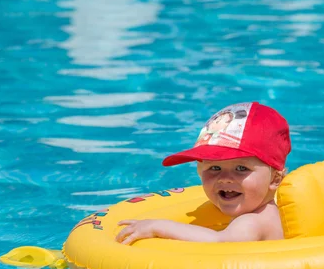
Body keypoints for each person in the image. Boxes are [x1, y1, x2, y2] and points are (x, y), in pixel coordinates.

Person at [115, 102, 291, 244]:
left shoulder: (252, 222)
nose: (225, 178)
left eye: (241, 168)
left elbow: (219, 241)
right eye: (214, 168)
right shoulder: (271, 212)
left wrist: (157, 226)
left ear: (275, 178)